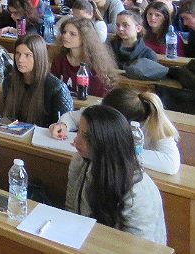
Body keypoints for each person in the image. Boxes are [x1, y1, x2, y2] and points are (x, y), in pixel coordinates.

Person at [65, 105, 166, 244]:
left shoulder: (137, 191)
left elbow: (139, 247)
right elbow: (71, 211)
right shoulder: (80, 160)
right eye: (78, 132)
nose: (76, 141)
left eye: (86, 137)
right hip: (88, 242)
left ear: (107, 143)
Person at [51, 88, 180, 175]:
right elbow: (71, 117)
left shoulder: (156, 126)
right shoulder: (105, 107)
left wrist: (114, 150)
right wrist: (63, 125)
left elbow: (170, 164)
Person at [2, 34, 73, 126]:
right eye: (18, 53)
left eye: (27, 55)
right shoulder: (8, 82)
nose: (20, 60)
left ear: (38, 57)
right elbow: (8, 118)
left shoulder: (56, 88)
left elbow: (64, 125)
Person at [50, 18, 117, 98]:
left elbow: (98, 96)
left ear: (85, 38)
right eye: (64, 32)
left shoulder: (96, 64)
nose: (65, 36)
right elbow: (52, 88)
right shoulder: (59, 59)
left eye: (72, 34)